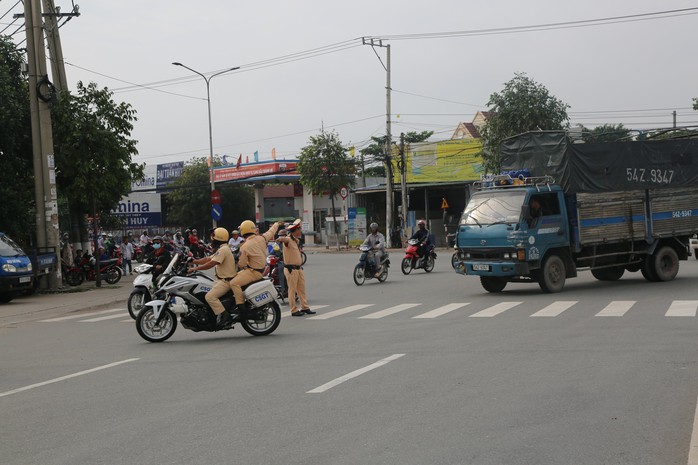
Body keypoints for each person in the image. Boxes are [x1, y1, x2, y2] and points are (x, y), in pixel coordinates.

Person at [188, 228, 237, 328]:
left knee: (209, 297)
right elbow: (207, 259)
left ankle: (225, 316)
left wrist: (195, 269)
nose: (212, 239)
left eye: (213, 237)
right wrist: (193, 261)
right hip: (220, 280)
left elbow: (211, 264)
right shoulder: (222, 248)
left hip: (226, 281)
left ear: (218, 238)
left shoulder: (223, 250)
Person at [230, 219, 283, 313]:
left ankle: (241, 307)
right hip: (261, 270)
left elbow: (241, 264)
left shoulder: (245, 246)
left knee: (233, 283)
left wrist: (239, 260)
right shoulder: (262, 238)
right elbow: (271, 232)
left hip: (253, 272)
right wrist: (276, 224)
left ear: (243, 231)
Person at [277, 219, 315, 317]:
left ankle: (305, 307)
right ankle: (293, 310)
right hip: (291, 269)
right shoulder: (289, 239)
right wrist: (280, 239)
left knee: (301, 289)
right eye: (299, 229)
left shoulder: (296, 240)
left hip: (298, 268)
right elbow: (284, 239)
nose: (300, 231)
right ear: (295, 230)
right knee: (292, 290)